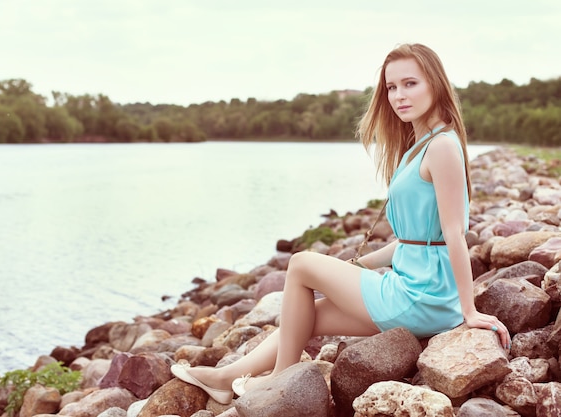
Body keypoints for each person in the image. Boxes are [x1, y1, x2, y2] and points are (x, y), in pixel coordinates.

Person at [170, 43, 511, 405]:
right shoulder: (419, 145)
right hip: (411, 288)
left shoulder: (441, 146)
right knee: (309, 315)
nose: (398, 95)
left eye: (410, 83)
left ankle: (276, 383)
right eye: (391, 87)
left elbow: (455, 234)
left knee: (301, 263)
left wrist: (470, 310)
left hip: (422, 297)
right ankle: (225, 377)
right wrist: (361, 265)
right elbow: (417, 240)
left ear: (436, 85)